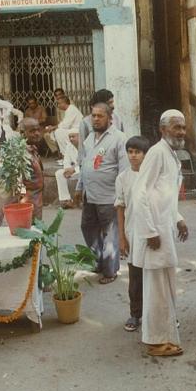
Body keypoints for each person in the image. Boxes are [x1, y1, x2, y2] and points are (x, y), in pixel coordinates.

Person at [132, 109, 189, 357]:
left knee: (166, 288)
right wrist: (149, 231)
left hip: (163, 227)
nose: (181, 132)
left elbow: (163, 195)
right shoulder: (157, 152)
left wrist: (178, 219)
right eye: (176, 127)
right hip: (154, 231)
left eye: (183, 128)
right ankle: (155, 342)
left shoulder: (171, 154)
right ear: (163, 130)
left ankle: (164, 336)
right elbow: (140, 191)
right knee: (156, 290)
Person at [77, 102, 128, 284]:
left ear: (109, 118)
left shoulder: (119, 138)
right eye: (93, 116)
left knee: (110, 234)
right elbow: (84, 164)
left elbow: (124, 171)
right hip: (89, 195)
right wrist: (79, 187)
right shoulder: (90, 138)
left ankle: (110, 270)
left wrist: (122, 198)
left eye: (100, 116)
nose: (96, 119)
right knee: (87, 227)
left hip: (109, 197)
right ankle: (98, 260)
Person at [115, 135, 151, 332]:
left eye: (137, 152)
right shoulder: (123, 178)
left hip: (152, 232)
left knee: (155, 276)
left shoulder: (152, 176)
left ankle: (159, 314)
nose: (133, 156)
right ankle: (135, 314)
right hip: (132, 233)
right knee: (135, 277)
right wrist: (122, 237)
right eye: (130, 152)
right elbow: (120, 207)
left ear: (145, 155)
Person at [20, 117, 45, 220]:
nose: (37, 133)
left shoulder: (32, 149)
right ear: (22, 133)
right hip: (28, 204)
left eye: (38, 130)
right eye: (32, 131)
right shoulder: (19, 154)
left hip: (36, 201)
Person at [55, 129, 81, 209]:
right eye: (70, 137)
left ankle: (82, 200)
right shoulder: (69, 146)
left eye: (73, 137)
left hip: (84, 171)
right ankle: (66, 200)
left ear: (80, 137)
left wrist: (74, 169)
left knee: (85, 172)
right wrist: (67, 170)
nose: (71, 139)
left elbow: (88, 164)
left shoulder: (86, 146)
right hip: (74, 171)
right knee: (59, 173)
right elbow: (66, 161)